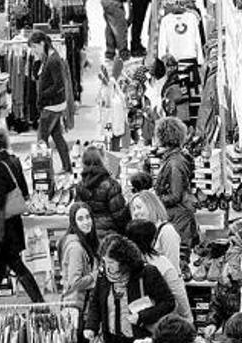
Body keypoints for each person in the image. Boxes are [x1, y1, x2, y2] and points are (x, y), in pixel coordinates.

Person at [0, 124, 44, 302]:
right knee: (1, 265)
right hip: (13, 223)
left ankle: (40, 304)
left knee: (14, 265)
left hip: (1, 227)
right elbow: (23, 188)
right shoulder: (13, 160)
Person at [84, 235, 176, 343]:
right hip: (111, 337)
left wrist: (141, 317)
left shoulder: (147, 273)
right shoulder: (103, 275)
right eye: (104, 261)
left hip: (140, 337)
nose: (107, 266)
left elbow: (168, 302)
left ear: (123, 261)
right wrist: (91, 326)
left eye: (111, 262)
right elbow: (95, 302)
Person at [125, 220, 193, 322]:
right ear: (152, 240)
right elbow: (178, 292)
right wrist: (188, 317)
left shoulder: (122, 262)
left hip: (129, 319)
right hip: (158, 321)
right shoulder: (162, 264)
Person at [154, 117, 197, 269]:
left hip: (178, 217)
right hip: (180, 215)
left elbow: (175, 195)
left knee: (177, 261)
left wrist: (155, 199)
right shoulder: (175, 158)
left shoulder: (174, 163)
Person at [27, 30, 72, 173]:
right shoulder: (47, 57)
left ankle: (45, 173)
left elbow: (58, 84)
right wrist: (37, 61)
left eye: (34, 47)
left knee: (41, 140)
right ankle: (66, 167)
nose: (33, 51)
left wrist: (42, 96)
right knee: (57, 136)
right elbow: (37, 77)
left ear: (41, 43)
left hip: (52, 105)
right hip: (54, 104)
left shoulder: (53, 60)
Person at [59, 202, 99, 338]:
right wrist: (95, 276)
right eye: (80, 219)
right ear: (73, 222)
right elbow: (74, 282)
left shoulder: (82, 241)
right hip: (77, 306)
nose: (86, 222)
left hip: (77, 305)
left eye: (88, 217)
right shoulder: (76, 248)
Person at [74, 146, 128, 239]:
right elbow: (120, 216)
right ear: (101, 161)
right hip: (109, 235)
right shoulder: (111, 185)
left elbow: (77, 210)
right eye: (105, 157)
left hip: (88, 233)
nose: (107, 160)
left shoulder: (80, 185)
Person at [129, 190, 181, 270]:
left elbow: (172, 267)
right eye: (133, 209)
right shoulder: (139, 233)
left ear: (152, 207)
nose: (135, 213)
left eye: (139, 207)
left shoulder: (167, 231)